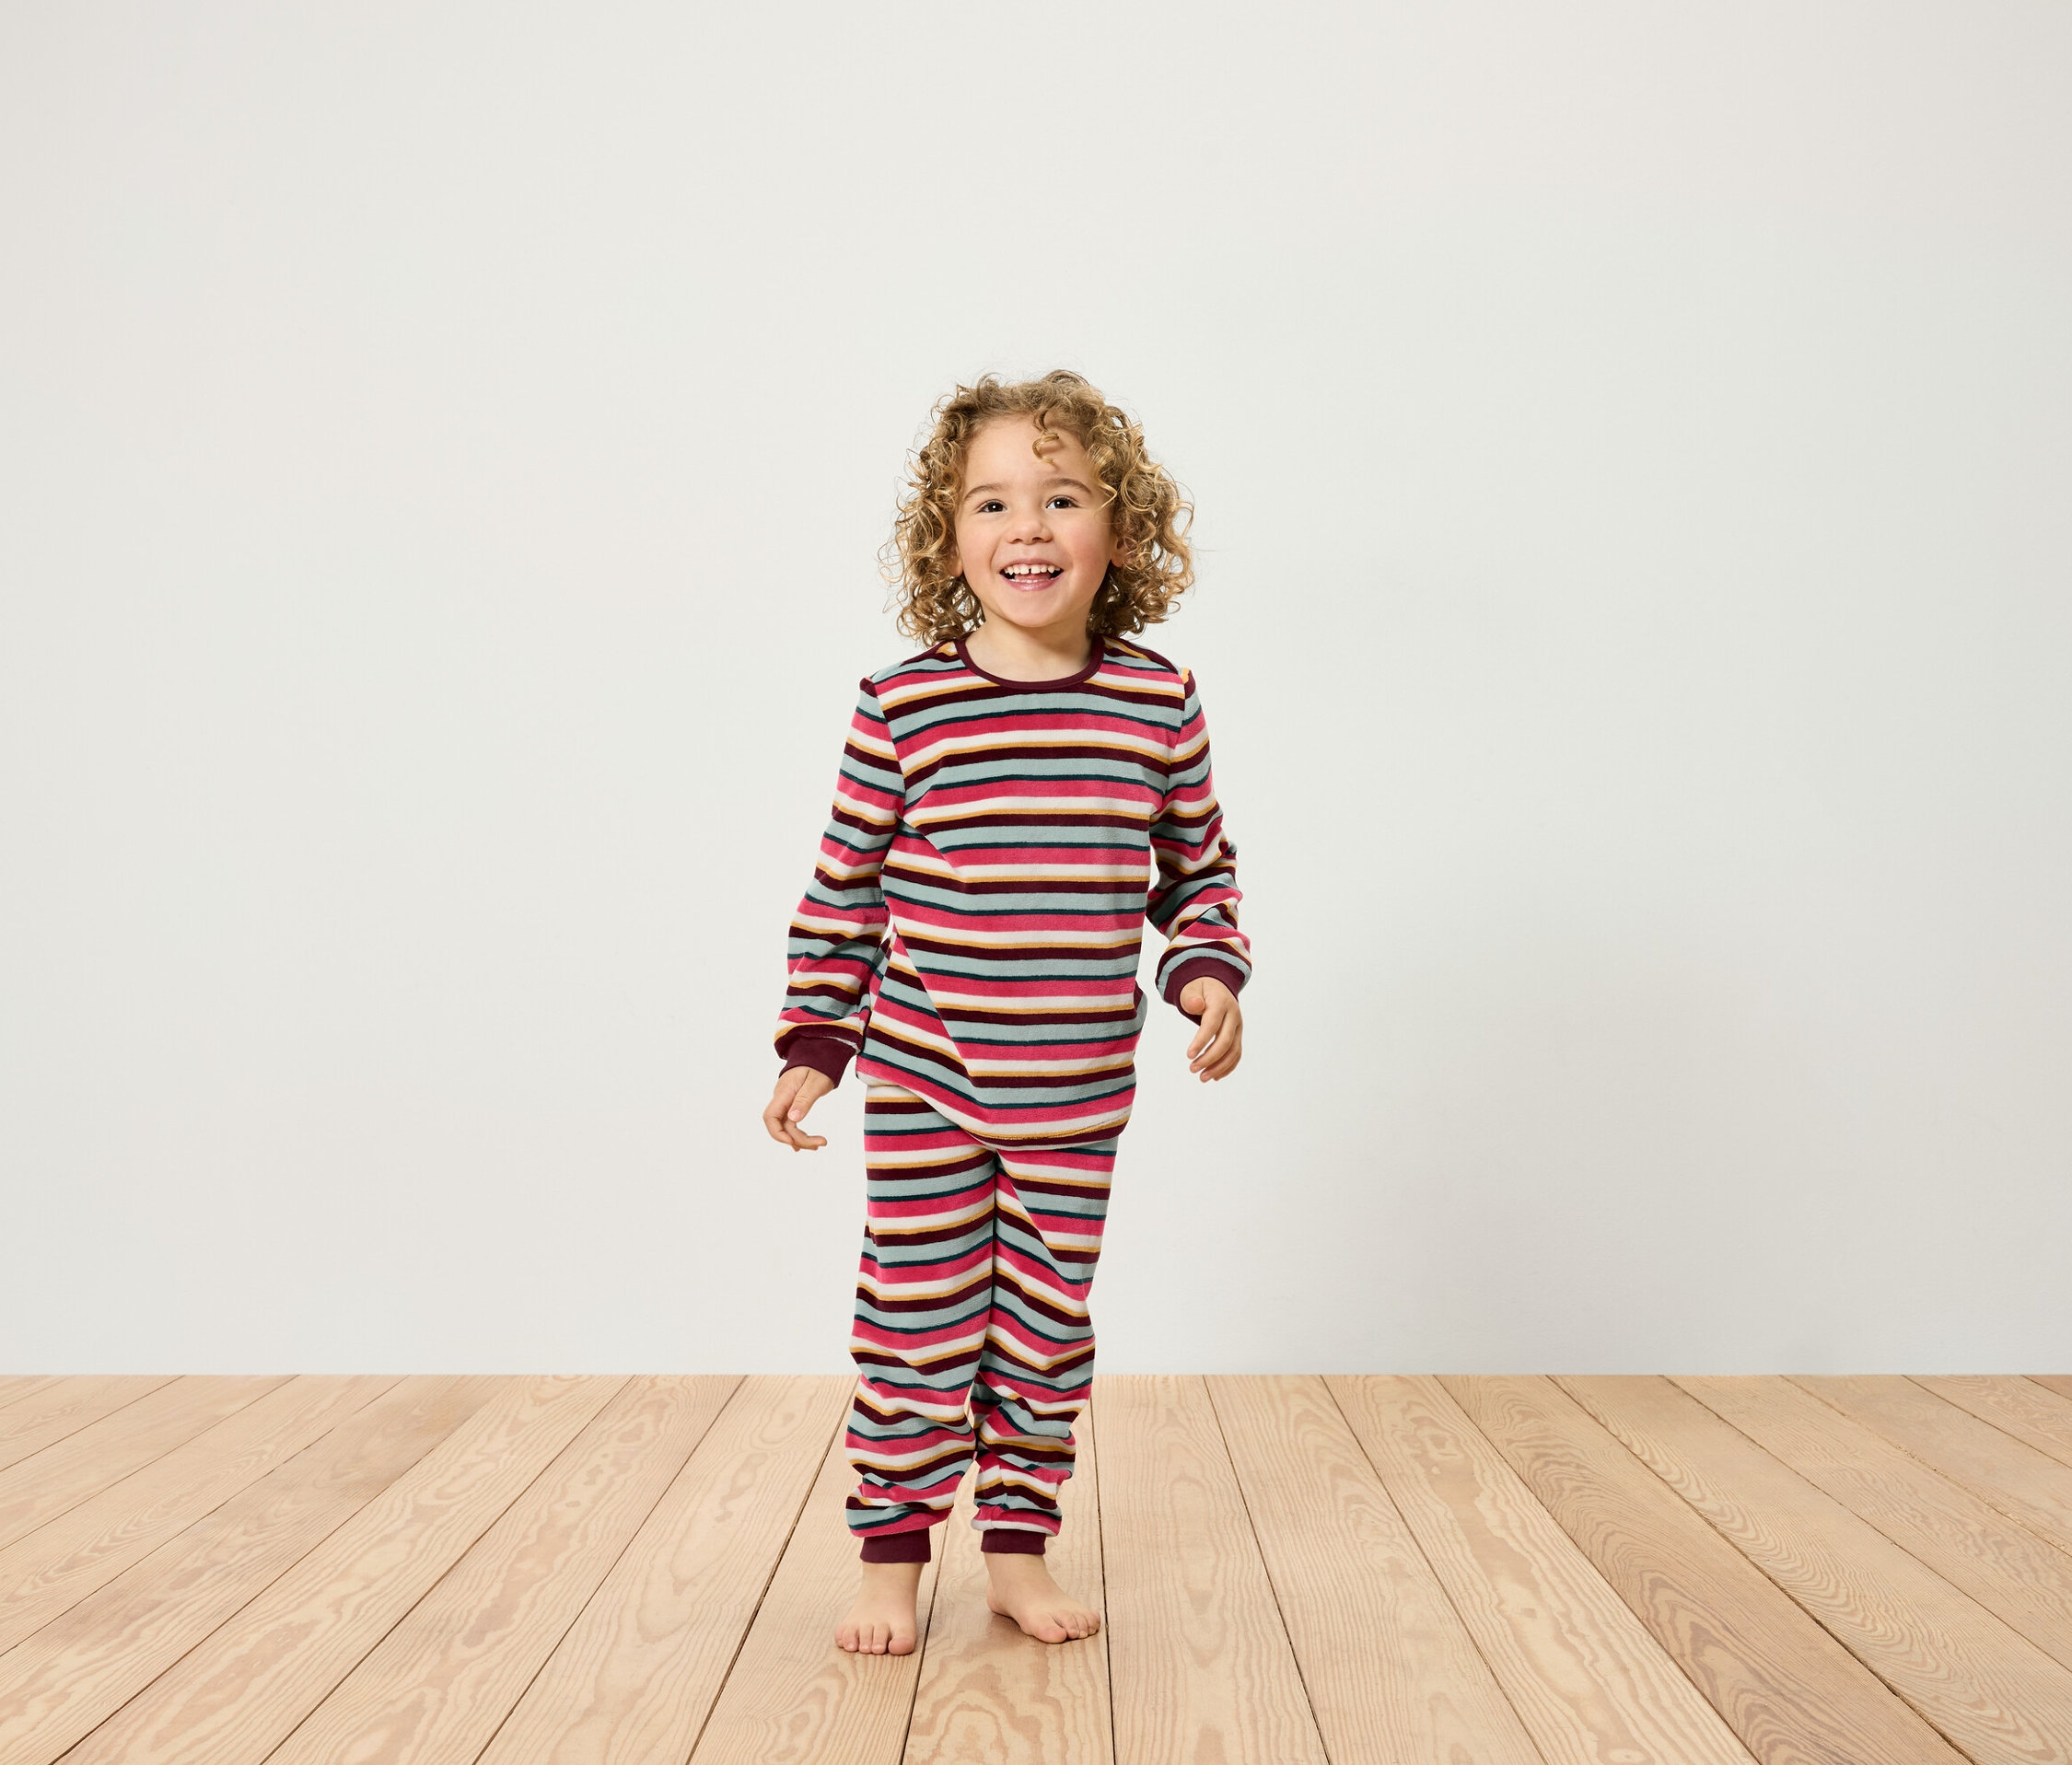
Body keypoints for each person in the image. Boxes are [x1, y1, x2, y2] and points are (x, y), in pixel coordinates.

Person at [762, 369, 1251, 1655]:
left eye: (1061, 496)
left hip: (1075, 1091)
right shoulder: (901, 705)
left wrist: (1206, 970)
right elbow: (844, 888)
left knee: (1042, 1331)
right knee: (914, 1316)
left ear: (1122, 533)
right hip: (924, 1074)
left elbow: (1196, 870)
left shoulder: (1156, 701)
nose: (1025, 526)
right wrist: (817, 1036)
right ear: (949, 537)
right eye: (991, 501)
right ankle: (891, 1556)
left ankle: (1016, 1551)